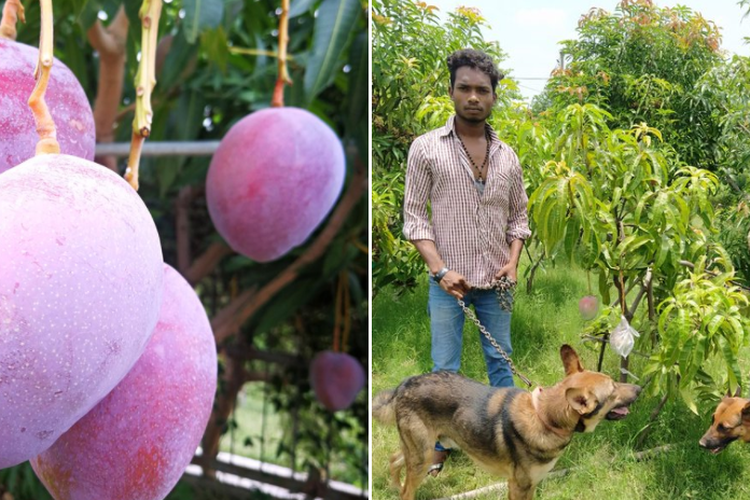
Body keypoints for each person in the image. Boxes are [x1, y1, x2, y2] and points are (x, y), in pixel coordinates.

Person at [402, 48, 531, 475]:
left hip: (496, 283)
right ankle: (442, 445)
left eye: (482, 90)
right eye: (465, 88)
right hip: (447, 284)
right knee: (445, 371)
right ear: (452, 92)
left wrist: (512, 263)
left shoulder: (508, 156)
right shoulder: (426, 149)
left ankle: (514, 438)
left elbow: (519, 218)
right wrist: (440, 270)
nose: (473, 97)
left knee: (502, 361)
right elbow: (415, 217)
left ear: (494, 96)